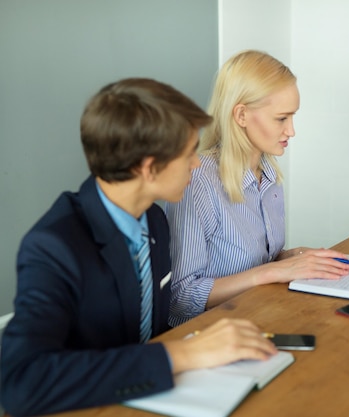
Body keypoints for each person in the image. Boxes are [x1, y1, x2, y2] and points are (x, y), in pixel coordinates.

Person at [0, 78, 277, 416]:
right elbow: (20, 384)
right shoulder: (53, 246)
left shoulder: (155, 220)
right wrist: (182, 355)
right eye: (189, 153)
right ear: (149, 168)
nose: (196, 163)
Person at [165, 50, 349, 326]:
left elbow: (259, 259)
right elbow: (179, 297)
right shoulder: (197, 182)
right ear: (241, 115)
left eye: (293, 117)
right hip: (207, 336)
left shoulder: (269, 176)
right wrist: (270, 273)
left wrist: (293, 258)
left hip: (259, 318)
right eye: (281, 118)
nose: (292, 131)